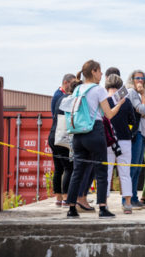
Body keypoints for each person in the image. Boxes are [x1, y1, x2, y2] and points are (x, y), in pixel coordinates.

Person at [65, 60, 125, 218]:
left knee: (77, 172)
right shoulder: (98, 90)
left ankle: (71, 208)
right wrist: (119, 104)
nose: (101, 75)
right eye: (100, 72)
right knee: (101, 171)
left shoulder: (77, 89)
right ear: (93, 71)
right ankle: (103, 208)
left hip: (78, 134)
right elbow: (109, 114)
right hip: (94, 132)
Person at [104, 74, 137, 214]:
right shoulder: (126, 102)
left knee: (106, 173)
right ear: (120, 86)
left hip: (107, 140)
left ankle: (104, 203)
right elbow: (133, 121)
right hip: (124, 140)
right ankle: (128, 204)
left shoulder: (103, 101)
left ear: (106, 86)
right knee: (125, 173)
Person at [48, 73, 76, 206]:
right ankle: (66, 197)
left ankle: (59, 198)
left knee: (59, 168)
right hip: (62, 137)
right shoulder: (67, 99)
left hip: (54, 135)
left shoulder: (58, 97)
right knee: (69, 168)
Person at [125, 70, 145, 209]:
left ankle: (134, 198)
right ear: (132, 79)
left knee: (137, 169)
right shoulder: (133, 93)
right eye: (137, 78)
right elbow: (142, 109)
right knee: (133, 168)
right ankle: (129, 199)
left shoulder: (137, 94)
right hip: (137, 133)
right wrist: (143, 94)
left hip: (141, 133)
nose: (140, 80)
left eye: (142, 78)